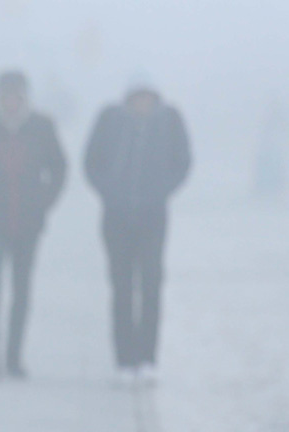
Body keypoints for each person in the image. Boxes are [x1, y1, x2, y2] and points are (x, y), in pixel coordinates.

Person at [0, 70, 66, 380]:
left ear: (24, 97)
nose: (11, 102)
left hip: (29, 222)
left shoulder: (41, 127)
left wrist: (45, 199)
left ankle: (14, 356)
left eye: (16, 96)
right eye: (5, 96)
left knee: (22, 291)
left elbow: (58, 166)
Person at [84, 80, 191, 384]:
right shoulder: (111, 122)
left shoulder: (168, 123)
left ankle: (147, 357)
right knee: (121, 287)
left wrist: (161, 191)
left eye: (147, 99)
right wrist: (109, 191)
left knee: (151, 285)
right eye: (137, 99)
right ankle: (124, 358)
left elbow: (183, 162)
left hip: (152, 217)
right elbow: (90, 162)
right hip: (116, 218)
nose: (142, 104)